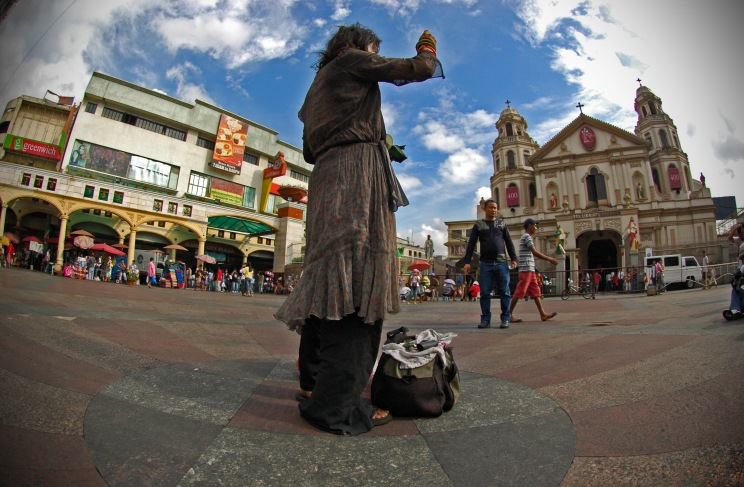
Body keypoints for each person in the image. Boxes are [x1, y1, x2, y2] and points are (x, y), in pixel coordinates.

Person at [273, 24, 440, 435]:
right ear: (359, 46)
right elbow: (415, 68)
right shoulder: (350, 59)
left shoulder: (316, 87)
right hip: (356, 180)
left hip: (328, 179)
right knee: (356, 284)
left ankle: (314, 385)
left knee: (329, 278)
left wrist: (373, 136)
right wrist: (428, 47)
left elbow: (311, 146)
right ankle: (336, 406)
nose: (374, 54)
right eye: (374, 48)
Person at [461, 198, 518, 329]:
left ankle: (505, 318)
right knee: (485, 292)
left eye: (495, 208)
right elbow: (471, 244)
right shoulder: (479, 225)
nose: (493, 210)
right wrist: (467, 262)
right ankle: (485, 319)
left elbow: (509, 242)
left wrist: (514, 258)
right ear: (484, 209)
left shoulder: (502, 224)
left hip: (501, 262)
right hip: (485, 263)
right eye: (491, 207)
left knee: (505, 291)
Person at [510, 219, 558, 324]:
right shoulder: (526, 236)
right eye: (535, 225)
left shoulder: (527, 237)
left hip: (530, 269)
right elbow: (535, 252)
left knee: (536, 292)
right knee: (519, 292)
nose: (536, 228)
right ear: (529, 226)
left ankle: (543, 314)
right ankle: (508, 314)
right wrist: (549, 259)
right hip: (526, 269)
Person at [724, 246, 744, 320]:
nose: (742, 260)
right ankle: (735, 311)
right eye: (741, 258)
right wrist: (736, 280)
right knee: (735, 291)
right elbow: (736, 285)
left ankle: (736, 310)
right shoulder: (743, 268)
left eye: (743, 258)